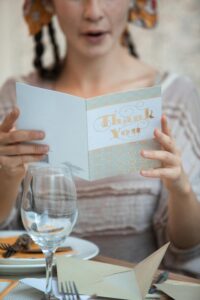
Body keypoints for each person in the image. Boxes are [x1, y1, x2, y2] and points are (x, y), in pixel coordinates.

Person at [0, 0, 200, 277]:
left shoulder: (174, 97)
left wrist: (181, 189)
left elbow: (189, 250)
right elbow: (5, 242)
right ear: (49, 4)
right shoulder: (18, 99)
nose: (93, 12)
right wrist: (7, 176)